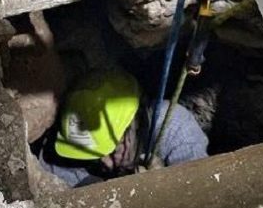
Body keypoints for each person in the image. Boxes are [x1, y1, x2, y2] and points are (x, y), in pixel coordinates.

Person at [36, 69, 207, 187]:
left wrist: (164, 185)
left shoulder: (172, 125)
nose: (106, 163)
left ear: (137, 123)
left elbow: (203, 194)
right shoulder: (61, 158)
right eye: (92, 156)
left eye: (112, 151)